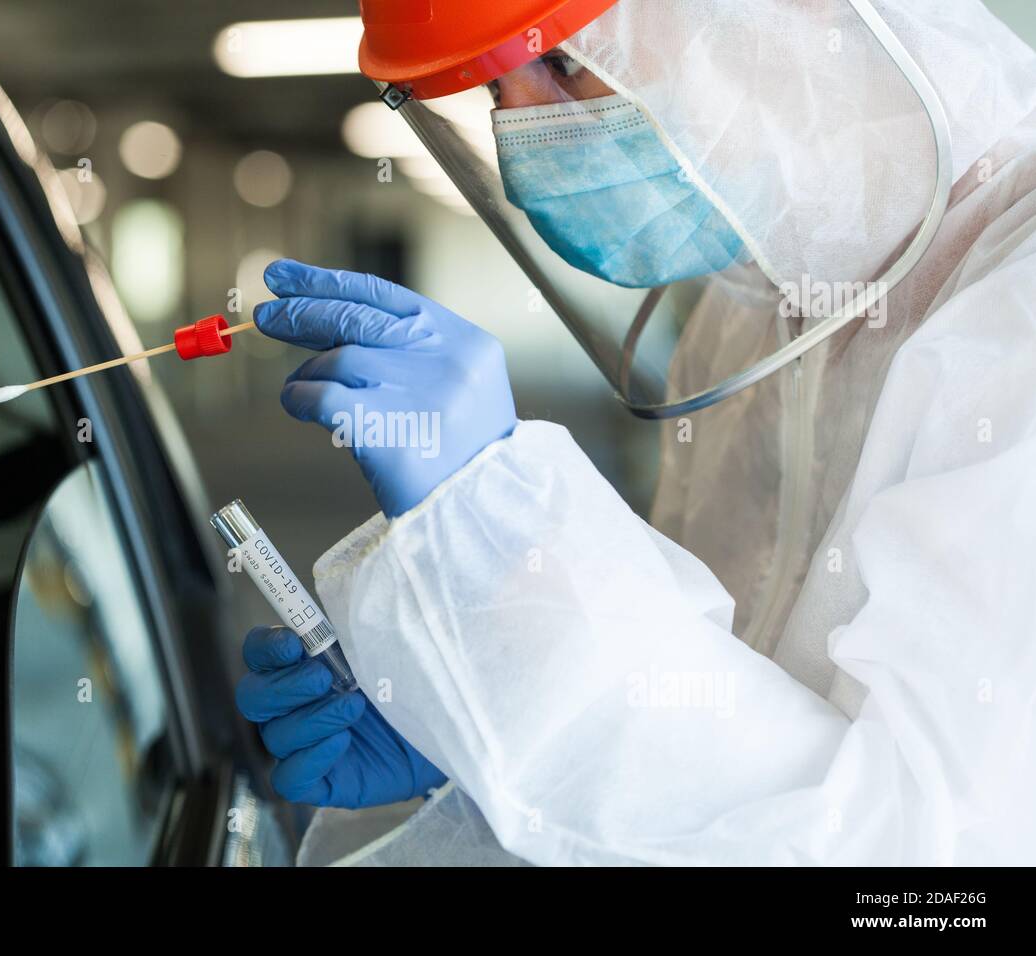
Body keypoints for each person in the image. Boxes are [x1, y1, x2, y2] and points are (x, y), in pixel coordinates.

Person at [234, 0, 1036, 865]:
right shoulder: (750, 333)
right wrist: (489, 718)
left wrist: (496, 525)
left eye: (568, 61)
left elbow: (925, 871)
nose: (523, 134)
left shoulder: (1016, 307)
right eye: (495, 89)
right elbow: (717, 718)